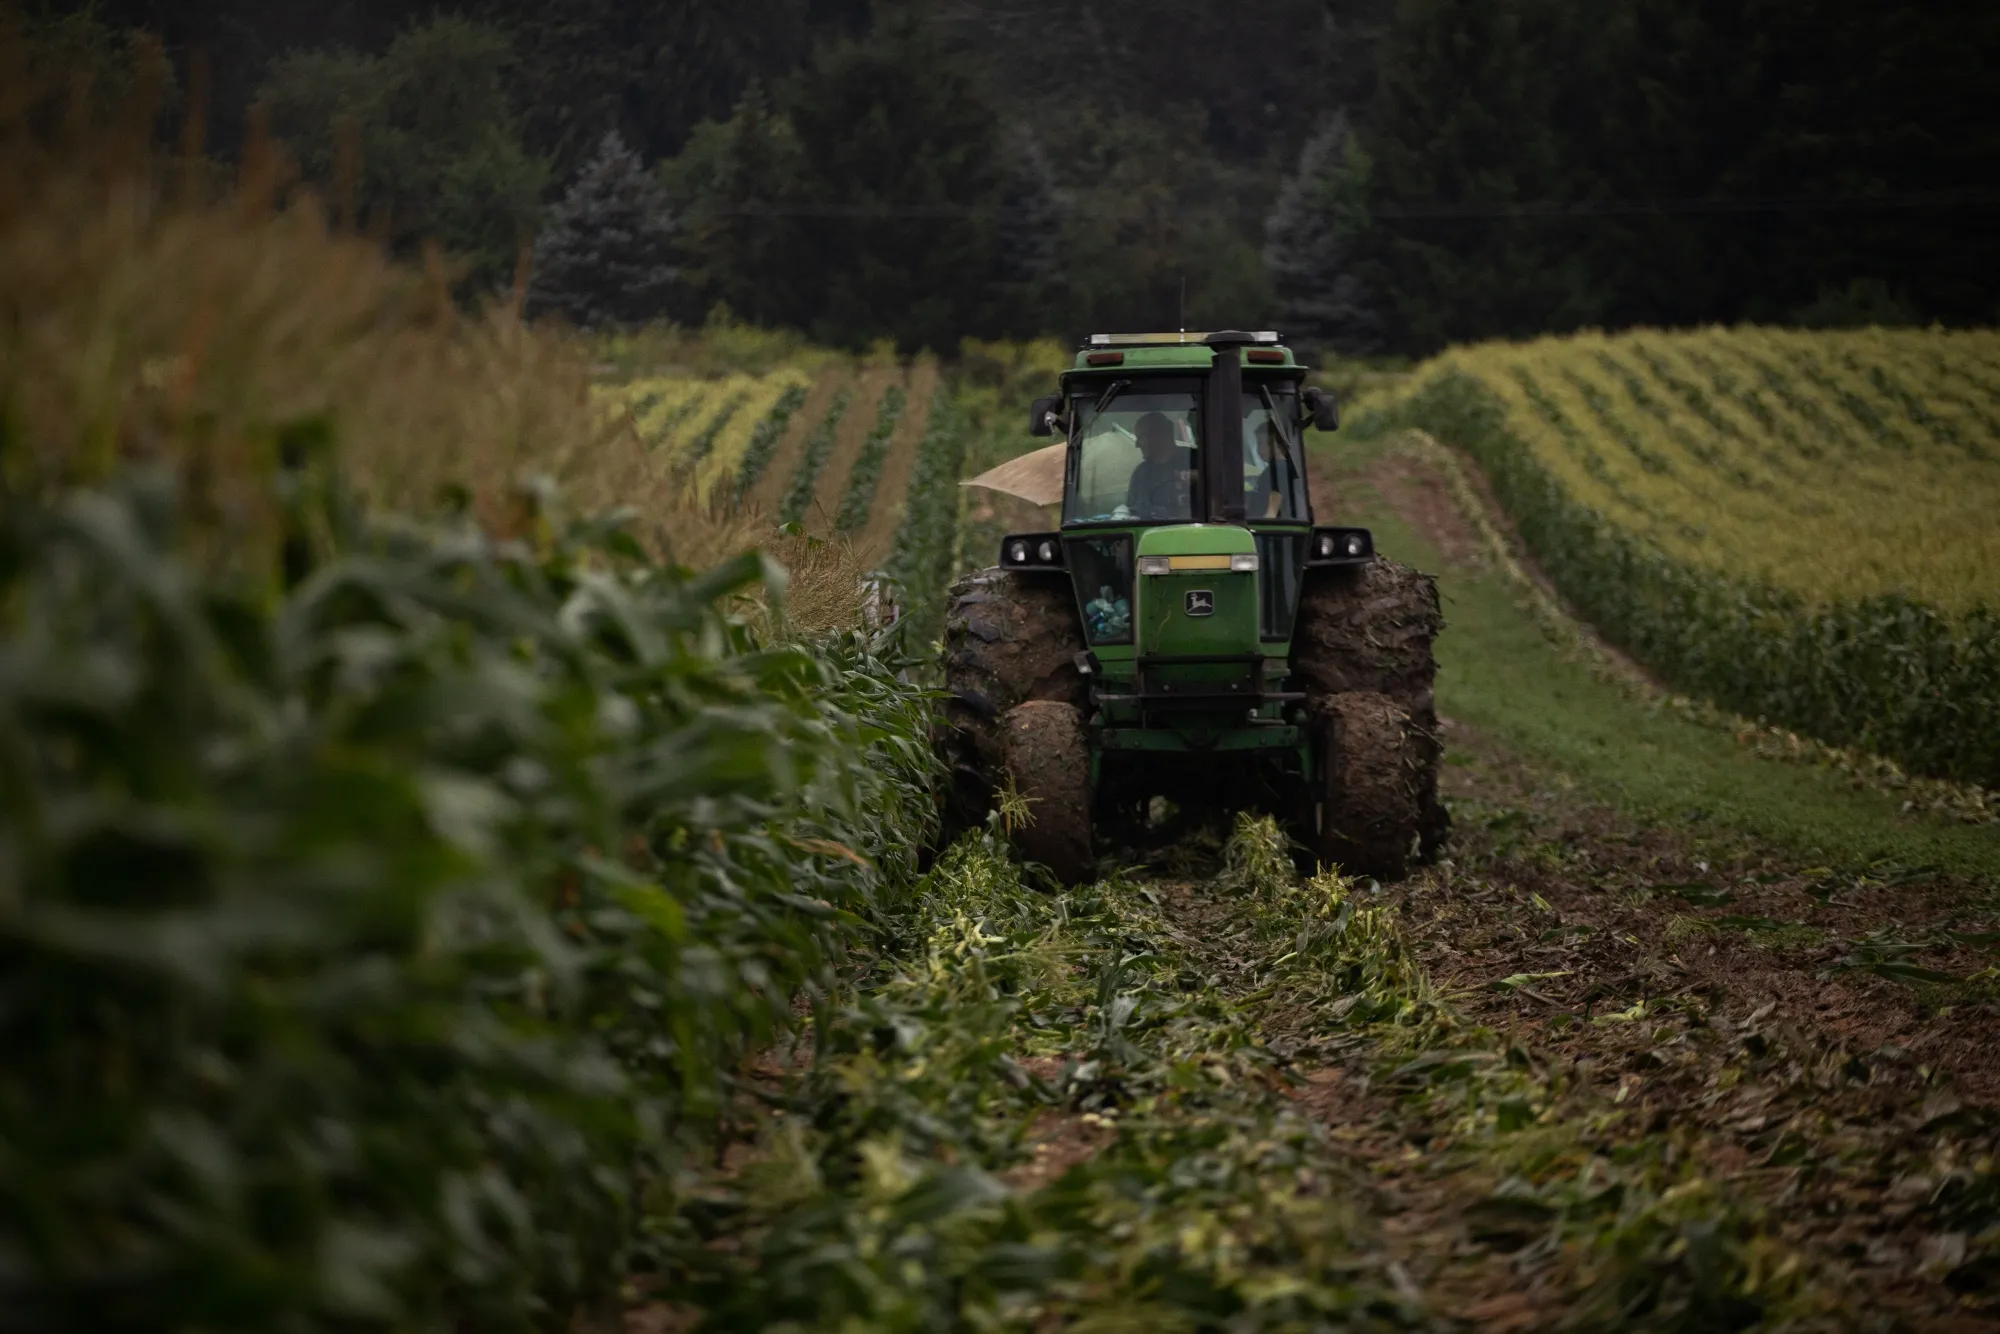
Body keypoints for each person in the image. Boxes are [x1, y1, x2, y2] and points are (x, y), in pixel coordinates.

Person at [1126, 411, 1192, 518]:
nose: (1137, 445)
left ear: (1159, 435)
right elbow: (1132, 513)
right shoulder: (1141, 474)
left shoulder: (1196, 461)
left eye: (1140, 437)